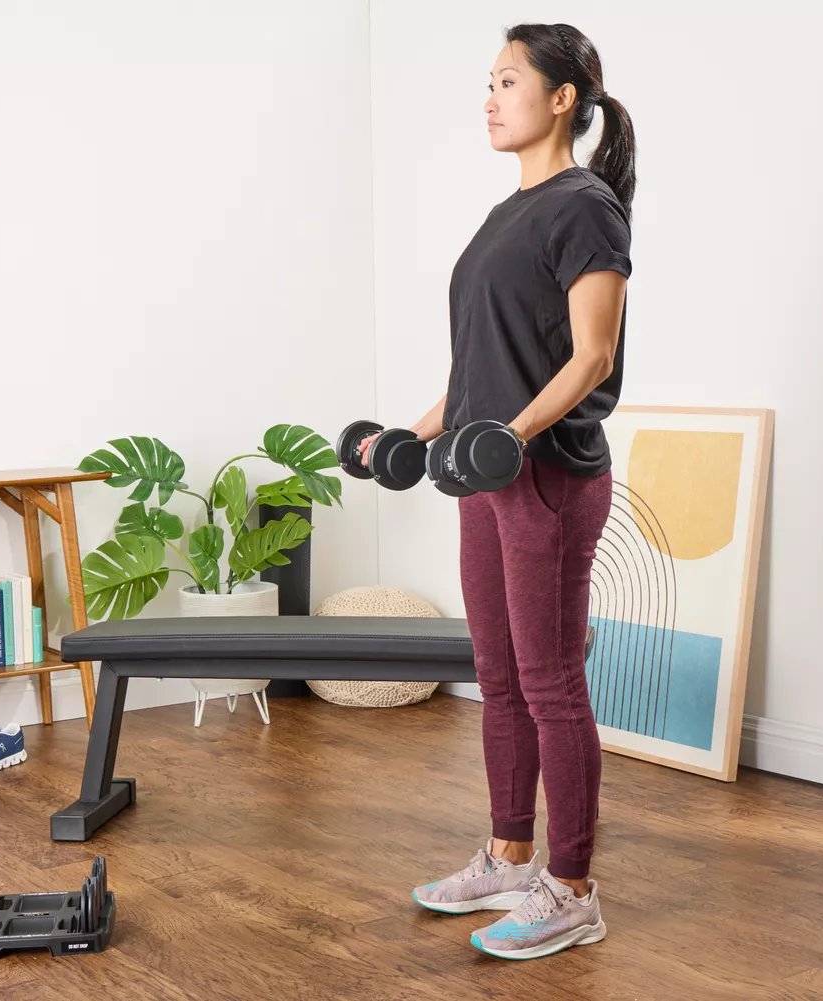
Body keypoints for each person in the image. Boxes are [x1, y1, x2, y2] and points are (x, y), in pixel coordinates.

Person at [366, 23, 635, 961]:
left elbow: (592, 355)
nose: (489, 97)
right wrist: (415, 433)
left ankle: (572, 888)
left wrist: (511, 438)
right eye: (488, 81)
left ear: (562, 98)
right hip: (484, 474)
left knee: (553, 680)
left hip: (548, 475)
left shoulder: (585, 207)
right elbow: (485, 366)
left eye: (508, 80)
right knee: (500, 676)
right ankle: (512, 854)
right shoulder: (502, 214)